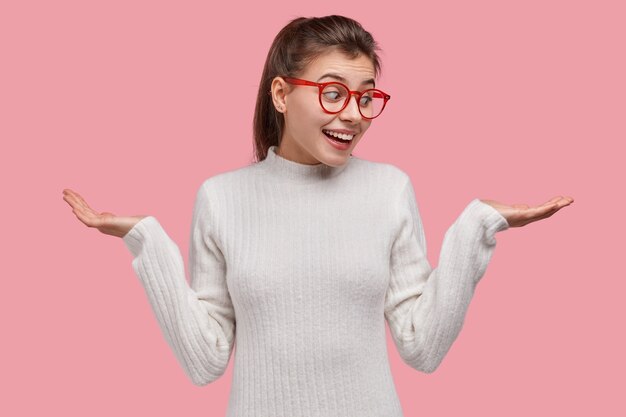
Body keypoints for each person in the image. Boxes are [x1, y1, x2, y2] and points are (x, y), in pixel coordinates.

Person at [62, 15, 573, 417]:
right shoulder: (222, 198)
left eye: (366, 96)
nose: (353, 113)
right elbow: (205, 361)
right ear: (282, 94)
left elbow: (423, 347)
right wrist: (148, 243)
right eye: (333, 92)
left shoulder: (389, 189)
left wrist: (475, 227)